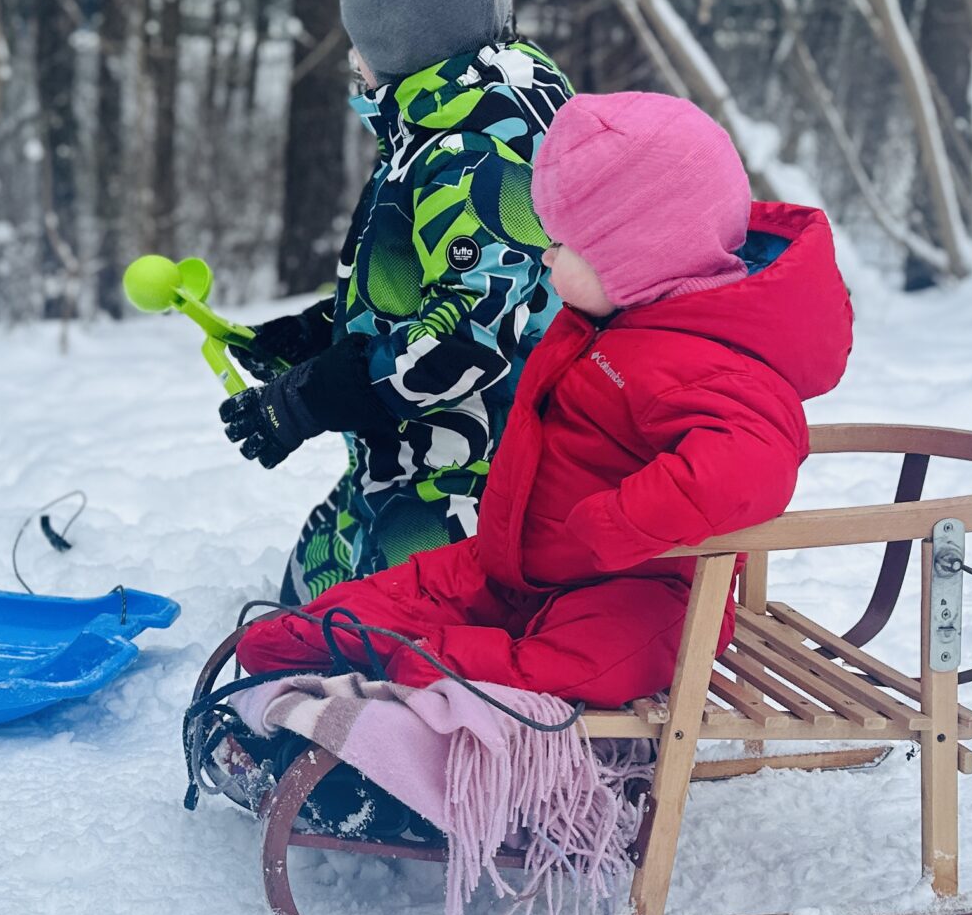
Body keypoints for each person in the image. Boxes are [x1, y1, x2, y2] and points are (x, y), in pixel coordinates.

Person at [234, 90, 853, 709]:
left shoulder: (717, 358)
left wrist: (613, 525)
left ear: (638, 257)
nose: (546, 255)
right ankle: (318, 644)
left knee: (562, 665)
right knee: (374, 602)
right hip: (515, 564)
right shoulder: (608, 315)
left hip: (641, 595)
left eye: (564, 244)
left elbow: (748, 465)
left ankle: (411, 681)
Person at [218, 0, 573, 603]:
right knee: (294, 605)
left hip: (473, 486)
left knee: (347, 644)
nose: (352, 57)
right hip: (413, 457)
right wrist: (321, 335)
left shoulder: (473, 153)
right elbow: (430, 284)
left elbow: (470, 338)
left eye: (361, 36)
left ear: (399, 37)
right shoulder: (455, 116)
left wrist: (320, 395)